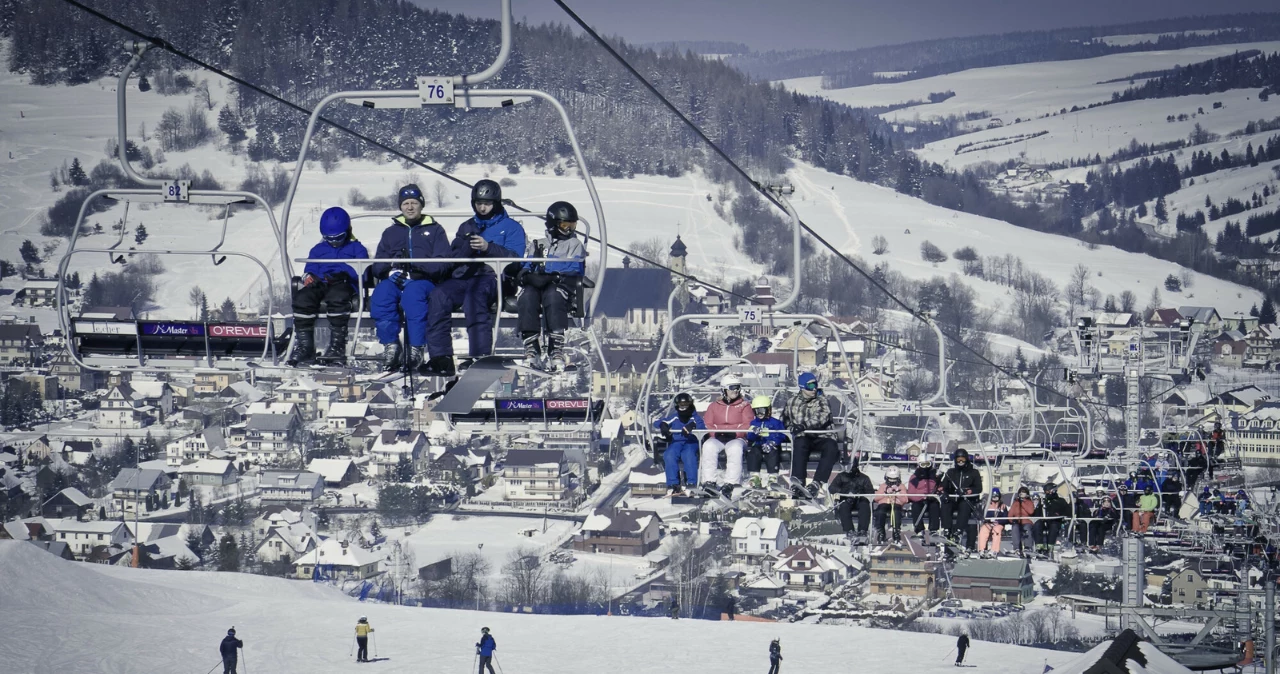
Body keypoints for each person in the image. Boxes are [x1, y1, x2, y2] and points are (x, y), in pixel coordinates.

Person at [427, 180, 526, 375]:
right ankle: (441, 357)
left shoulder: (512, 227)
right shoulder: (467, 226)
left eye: (487, 203)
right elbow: (454, 256)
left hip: (493, 277)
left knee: (474, 297)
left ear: (496, 203)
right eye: (478, 203)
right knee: (439, 295)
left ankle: (479, 356)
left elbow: (515, 260)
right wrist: (465, 247)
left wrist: (488, 248)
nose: (482, 208)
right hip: (465, 275)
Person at [369, 184, 453, 372]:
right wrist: (390, 271)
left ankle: (416, 347)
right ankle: (391, 345)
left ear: (421, 205)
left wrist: (416, 269)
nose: (410, 207)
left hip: (424, 281)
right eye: (405, 203)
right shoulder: (391, 232)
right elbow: (378, 264)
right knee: (382, 294)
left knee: (413, 296)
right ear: (400, 206)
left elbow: (443, 262)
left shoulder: (435, 230)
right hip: (396, 279)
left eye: (414, 203)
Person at [288, 207, 368, 367]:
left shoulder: (356, 249)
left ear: (348, 231)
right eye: (329, 238)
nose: (334, 242)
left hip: (344, 285)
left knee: (337, 297)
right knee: (302, 299)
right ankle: (305, 347)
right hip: (322, 284)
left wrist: (347, 273)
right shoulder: (318, 250)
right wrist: (311, 277)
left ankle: (337, 348)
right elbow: (309, 269)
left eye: (339, 238)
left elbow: (363, 273)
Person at [517, 201, 586, 371]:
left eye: (572, 225)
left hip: (561, 284)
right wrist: (527, 275)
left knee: (553, 296)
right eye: (564, 225)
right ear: (554, 224)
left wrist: (549, 271)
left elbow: (574, 266)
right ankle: (531, 345)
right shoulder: (538, 244)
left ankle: (555, 347)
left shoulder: (575, 244)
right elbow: (527, 265)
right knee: (527, 296)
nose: (569, 230)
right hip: (538, 284)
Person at [783, 372, 841, 499]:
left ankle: (817, 483)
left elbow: (821, 417)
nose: (814, 389)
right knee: (800, 443)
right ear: (802, 387)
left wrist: (803, 425)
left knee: (831, 447)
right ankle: (798, 482)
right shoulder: (791, 402)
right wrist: (791, 427)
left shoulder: (822, 400)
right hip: (804, 437)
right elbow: (785, 419)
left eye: (815, 385)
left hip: (823, 436)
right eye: (810, 386)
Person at [701, 375, 754, 495]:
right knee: (708, 446)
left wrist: (735, 433)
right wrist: (716, 433)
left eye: (738, 387)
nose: (735, 390)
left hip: (737, 438)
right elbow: (708, 423)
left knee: (735, 449)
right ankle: (709, 481)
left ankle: (730, 482)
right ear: (724, 389)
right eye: (732, 387)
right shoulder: (714, 406)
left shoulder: (745, 406)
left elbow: (747, 424)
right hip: (718, 437)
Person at [653, 392, 704, 495]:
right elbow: (658, 422)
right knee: (669, 454)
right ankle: (673, 484)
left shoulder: (695, 417)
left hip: (691, 442)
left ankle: (691, 483)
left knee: (689, 455)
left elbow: (702, 427)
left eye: (686, 405)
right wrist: (663, 425)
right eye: (681, 405)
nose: (684, 408)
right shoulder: (675, 417)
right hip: (677, 442)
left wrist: (692, 426)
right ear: (677, 405)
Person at [941, 448, 983, 550]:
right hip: (953, 499)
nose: (960, 462)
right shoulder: (951, 472)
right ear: (955, 460)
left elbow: (978, 488)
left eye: (962, 459)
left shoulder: (973, 472)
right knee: (946, 504)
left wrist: (967, 491)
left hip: (966, 500)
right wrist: (945, 493)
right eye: (958, 459)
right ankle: (946, 529)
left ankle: (958, 531)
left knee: (964, 506)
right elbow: (944, 486)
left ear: (966, 459)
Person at [745, 395, 786, 488]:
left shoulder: (776, 422)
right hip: (758, 444)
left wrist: (773, 442)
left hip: (772, 445)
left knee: (773, 453)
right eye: (756, 411)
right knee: (753, 452)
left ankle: (772, 477)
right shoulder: (753, 423)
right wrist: (754, 432)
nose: (759, 413)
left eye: (762, 410)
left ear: (768, 410)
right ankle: (755, 476)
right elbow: (749, 437)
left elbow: (781, 435)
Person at [830, 461, 874, 546]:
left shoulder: (864, 478)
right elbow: (832, 488)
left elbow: (870, 491)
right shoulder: (841, 476)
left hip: (859, 500)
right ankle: (850, 531)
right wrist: (845, 492)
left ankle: (862, 531)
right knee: (844, 506)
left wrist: (859, 493)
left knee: (864, 505)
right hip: (847, 499)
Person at [908, 455, 941, 536]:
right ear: (919, 465)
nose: (925, 467)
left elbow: (940, 488)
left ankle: (933, 529)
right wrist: (923, 497)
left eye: (927, 464)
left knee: (934, 506)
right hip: (919, 500)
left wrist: (935, 494)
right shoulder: (914, 478)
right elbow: (911, 493)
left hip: (932, 499)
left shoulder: (935, 477)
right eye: (923, 465)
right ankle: (919, 529)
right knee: (915, 507)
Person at [873, 467, 909, 544]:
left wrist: (898, 493)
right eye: (890, 479)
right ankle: (881, 532)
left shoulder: (901, 486)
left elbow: (905, 499)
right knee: (880, 512)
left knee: (896, 511)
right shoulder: (883, 486)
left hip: (896, 503)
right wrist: (885, 493)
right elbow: (876, 498)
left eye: (894, 479)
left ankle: (896, 532)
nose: (892, 481)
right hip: (884, 503)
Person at [1039, 485, 1071, 557]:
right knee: (1037, 526)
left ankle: (1050, 549)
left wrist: (1060, 514)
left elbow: (1068, 512)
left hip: (1056, 522)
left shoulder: (1060, 501)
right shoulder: (1043, 501)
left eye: (1047, 491)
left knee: (1053, 527)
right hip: (1044, 521)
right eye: (1045, 492)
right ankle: (1039, 548)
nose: (1046, 493)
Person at [976, 488, 1008, 558]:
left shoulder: (1003, 506)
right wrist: (988, 520)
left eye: (996, 496)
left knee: (996, 531)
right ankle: (981, 549)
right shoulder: (987, 505)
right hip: (988, 523)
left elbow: (1006, 518)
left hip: (999, 523)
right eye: (993, 496)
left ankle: (994, 550)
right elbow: (983, 515)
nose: (995, 497)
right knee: (983, 530)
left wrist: (999, 522)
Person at [1008, 486, 1036, 558]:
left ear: (1026, 494)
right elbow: (1010, 513)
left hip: (1026, 520)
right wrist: (1012, 520)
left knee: (1027, 529)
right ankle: (1016, 548)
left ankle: (1027, 547)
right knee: (1015, 528)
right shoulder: (1015, 503)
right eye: (1020, 492)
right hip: (1017, 521)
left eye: (1023, 492)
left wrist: (1022, 502)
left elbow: (1031, 511)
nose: (1021, 494)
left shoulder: (1029, 502)